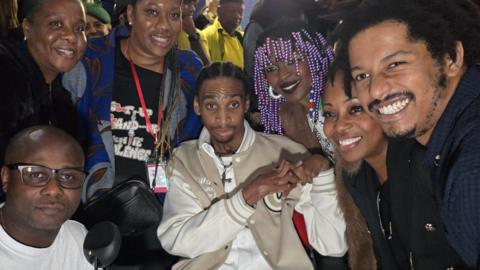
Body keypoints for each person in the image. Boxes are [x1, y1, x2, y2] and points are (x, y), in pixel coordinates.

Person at [157, 62, 347, 269]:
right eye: (212, 105)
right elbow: (177, 241)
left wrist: (323, 175)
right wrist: (250, 195)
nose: (223, 117)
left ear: (246, 104)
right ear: (197, 106)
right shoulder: (185, 160)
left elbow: (333, 245)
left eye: (233, 104)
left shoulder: (283, 152)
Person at [334, 0, 480, 267]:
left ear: (451, 58)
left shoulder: (469, 171)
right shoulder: (435, 145)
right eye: (362, 76)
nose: (376, 90)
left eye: (395, 64)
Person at [63, 0, 203, 202]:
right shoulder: (89, 61)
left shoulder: (189, 71)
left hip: (168, 211)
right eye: (152, 12)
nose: (164, 25)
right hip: (93, 208)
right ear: (130, 14)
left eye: (174, 15)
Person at [0, 0, 86, 184]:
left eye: (79, 28)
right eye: (56, 24)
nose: (71, 36)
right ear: (27, 28)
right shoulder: (6, 76)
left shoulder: (56, 91)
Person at [322, 68, 397, 269]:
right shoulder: (354, 178)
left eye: (355, 109)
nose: (338, 127)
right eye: (329, 114)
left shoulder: (427, 171)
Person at [0, 126, 91, 270]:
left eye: (68, 176)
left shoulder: (79, 239)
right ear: (6, 178)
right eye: (36, 174)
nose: (54, 190)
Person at [253, 19, 335, 159]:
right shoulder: (279, 120)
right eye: (271, 68)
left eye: (292, 61)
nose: (283, 74)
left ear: (316, 57)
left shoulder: (346, 102)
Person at [200, 0, 244, 69]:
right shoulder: (206, 35)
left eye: (241, 12)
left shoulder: (243, 37)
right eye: (232, 11)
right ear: (219, 11)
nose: (238, 16)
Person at [177, 0, 210, 65]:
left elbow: (205, 68)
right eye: (187, 2)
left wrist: (193, 35)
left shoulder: (195, 33)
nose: (193, 9)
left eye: (194, 4)